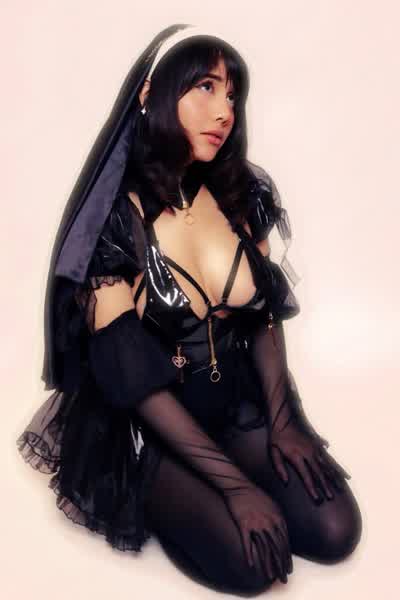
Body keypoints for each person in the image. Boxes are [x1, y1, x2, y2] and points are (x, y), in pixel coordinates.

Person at [16, 24, 362, 595]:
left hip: (235, 407)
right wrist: (236, 487)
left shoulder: (238, 192)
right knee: (255, 568)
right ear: (150, 94)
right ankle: (175, 499)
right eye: (205, 87)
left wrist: (282, 423)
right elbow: (133, 379)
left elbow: (262, 316)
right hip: (155, 432)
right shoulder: (113, 223)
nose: (224, 111)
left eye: (232, 95)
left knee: (336, 530)